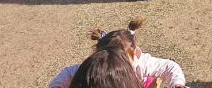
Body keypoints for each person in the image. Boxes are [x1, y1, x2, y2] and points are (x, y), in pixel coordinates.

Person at [47, 18, 187, 88]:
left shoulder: (142, 63)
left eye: (122, 59)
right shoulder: (96, 68)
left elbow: (170, 66)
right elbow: (68, 72)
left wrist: (177, 84)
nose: (116, 61)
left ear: (136, 54)